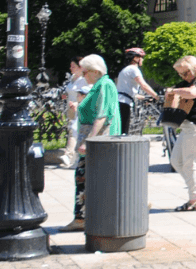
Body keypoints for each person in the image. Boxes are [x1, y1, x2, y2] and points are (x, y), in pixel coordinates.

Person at [59, 54, 121, 231]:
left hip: (98, 142)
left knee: (83, 177)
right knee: (94, 178)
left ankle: (81, 218)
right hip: (94, 141)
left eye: (85, 71)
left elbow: (102, 115)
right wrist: (76, 108)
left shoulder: (105, 85)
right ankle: (83, 216)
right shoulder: (96, 86)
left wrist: (88, 141)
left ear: (95, 71)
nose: (83, 74)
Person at [167, 55, 196, 211]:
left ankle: (193, 199)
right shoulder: (186, 82)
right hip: (188, 127)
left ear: (194, 69)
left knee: (190, 163)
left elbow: (193, 93)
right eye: (180, 74)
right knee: (176, 161)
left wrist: (173, 91)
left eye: (185, 73)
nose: (183, 77)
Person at [115, 48, 158, 135]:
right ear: (135, 58)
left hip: (120, 101)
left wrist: (145, 97)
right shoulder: (133, 69)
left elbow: (130, 92)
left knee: (122, 130)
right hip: (124, 103)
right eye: (141, 57)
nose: (142, 59)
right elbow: (144, 85)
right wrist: (156, 96)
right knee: (124, 133)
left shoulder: (125, 70)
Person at [61, 56, 90, 168]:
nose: (71, 68)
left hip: (79, 106)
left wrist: (77, 104)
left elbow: (86, 94)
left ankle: (69, 155)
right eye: (71, 66)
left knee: (74, 130)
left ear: (80, 67)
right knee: (73, 130)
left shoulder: (84, 79)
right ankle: (74, 157)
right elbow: (70, 90)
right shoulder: (72, 77)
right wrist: (65, 95)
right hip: (70, 106)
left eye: (73, 66)